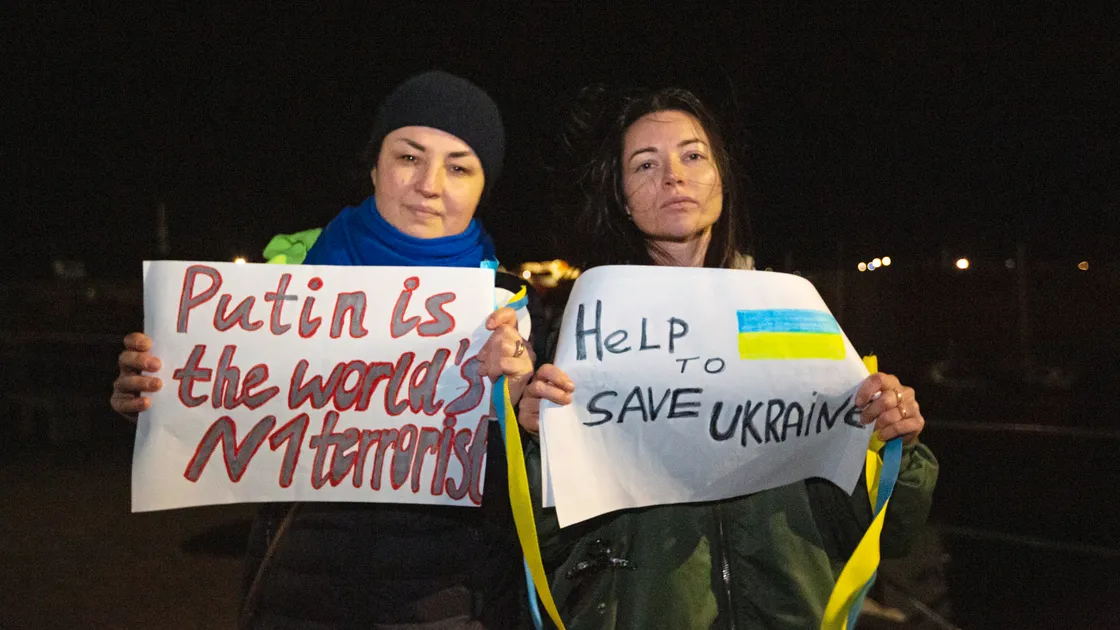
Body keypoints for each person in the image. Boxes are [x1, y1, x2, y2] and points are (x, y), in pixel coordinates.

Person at [111, 71, 542, 629]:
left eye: (459, 166)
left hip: (447, 602)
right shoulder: (282, 287)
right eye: (409, 157)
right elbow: (221, 415)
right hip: (297, 593)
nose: (430, 185)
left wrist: (518, 412)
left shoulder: (508, 306)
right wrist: (153, 397)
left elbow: (535, 494)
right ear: (374, 165)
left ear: (485, 185)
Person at [518, 87, 939, 629]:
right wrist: (533, 443)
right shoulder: (584, 334)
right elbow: (540, 539)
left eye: (693, 155)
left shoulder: (793, 315)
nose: (674, 176)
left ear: (721, 177)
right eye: (645, 164)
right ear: (621, 196)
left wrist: (895, 442)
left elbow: (891, 529)